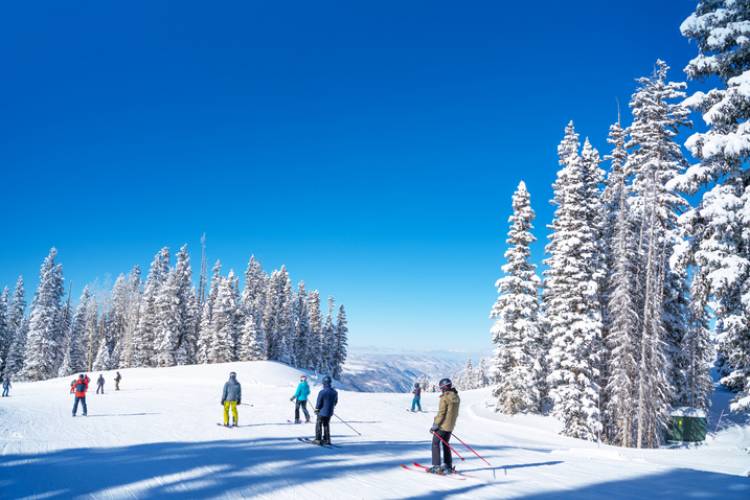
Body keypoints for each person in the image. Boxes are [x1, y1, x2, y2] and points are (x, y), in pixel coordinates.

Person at [428, 378, 460, 474]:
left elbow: (441, 413)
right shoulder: (456, 396)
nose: (441, 389)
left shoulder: (445, 397)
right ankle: (448, 465)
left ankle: (436, 466)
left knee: (435, 443)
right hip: (450, 426)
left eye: (441, 387)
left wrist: (435, 425)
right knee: (445, 444)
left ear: (444, 387)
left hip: (442, 426)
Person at [313, 375, 338, 445]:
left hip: (322, 412)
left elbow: (319, 402)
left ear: (324, 383)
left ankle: (318, 439)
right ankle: (327, 439)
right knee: (326, 425)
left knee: (319, 424)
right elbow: (335, 402)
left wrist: (317, 409)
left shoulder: (322, 392)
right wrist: (330, 407)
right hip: (329, 412)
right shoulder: (335, 392)